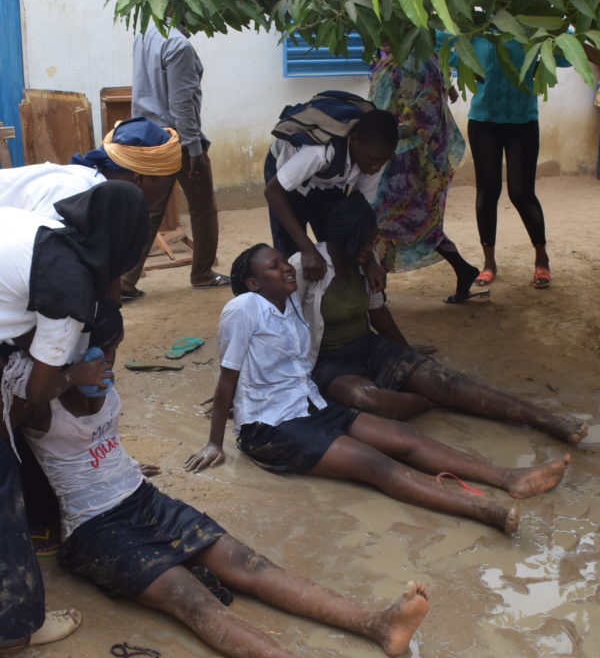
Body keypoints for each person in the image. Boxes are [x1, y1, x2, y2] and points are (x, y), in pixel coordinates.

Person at [18, 300, 430, 658]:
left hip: (142, 498)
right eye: (103, 352)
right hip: (93, 529)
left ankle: (376, 624)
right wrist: (71, 377)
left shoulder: (101, 379)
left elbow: (97, 440)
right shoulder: (37, 398)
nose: (108, 361)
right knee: (194, 602)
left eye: (112, 350)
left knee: (253, 567)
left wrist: (122, 463)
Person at [186, 242, 572, 536]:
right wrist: (215, 442)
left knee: (405, 437)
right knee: (375, 464)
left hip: (310, 407)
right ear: (253, 283)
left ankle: (509, 478)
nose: (287, 268)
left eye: (283, 262)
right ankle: (485, 511)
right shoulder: (244, 308)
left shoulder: (291, 307)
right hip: (271, 428)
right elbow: (227, 379)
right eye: (274, 267)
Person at [290, 192, 588, 445]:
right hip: (327, 362)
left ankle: (546, 419)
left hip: (367, 346)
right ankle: (431, 399)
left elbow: (378, 313)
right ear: (344, 240)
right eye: (365, 243)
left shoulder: (367, 263)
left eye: (372, 241)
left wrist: (405, 352)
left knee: (446, 379)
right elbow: (279, 322)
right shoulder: (306, 267)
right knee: (368, 401)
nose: (371, 249)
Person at [0, 182, 148, 651]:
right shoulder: (67, 293)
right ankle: (15, 627)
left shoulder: (41, 229)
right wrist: (75, 371)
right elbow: (42, 388)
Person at [369, 49, 483, 304]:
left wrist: (385, 144)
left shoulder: (416, 58)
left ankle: (376, 292)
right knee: (410, 221)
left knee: (387, 220)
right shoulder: (394, 55)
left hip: (414, 160)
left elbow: (422, 116)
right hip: (395, 153)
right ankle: (463, 270)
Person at [456, 37, 570, 289]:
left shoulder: (530, 30)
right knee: (487, 191)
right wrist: (466, 65)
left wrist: (554, 41)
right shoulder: (476, 30)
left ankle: (542, 257)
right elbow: (445, 44)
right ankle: (489, 264)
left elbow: (565, 57)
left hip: (523, 122)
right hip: (483, 120)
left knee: (521, 193)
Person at [126, 21, 230, 293]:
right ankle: (203, 275)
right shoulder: (178, 45)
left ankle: (126, 279)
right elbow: (181, 103)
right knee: (203, 207)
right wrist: (194, 148)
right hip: (177, 139)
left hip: (150, 135)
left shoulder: (146, 34)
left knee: (150, 211)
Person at [264, 106, 398, 284]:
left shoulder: (372, 158)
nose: (376, 168)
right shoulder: (320, 152)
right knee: (290, 248)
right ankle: (290, 304)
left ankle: (337, 286)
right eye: (373, 160)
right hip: (285, 175)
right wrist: (307, 249)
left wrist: (372, 264)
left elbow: (360, 216)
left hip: (327, 179)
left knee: (339, 239)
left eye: (382, 162)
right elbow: (273, 193)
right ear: (355, 140)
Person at [0, 116, 180, 226]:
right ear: (139, 179)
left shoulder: (98, 196)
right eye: (166, 186)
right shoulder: (75, 195)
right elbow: (37, 263)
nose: (167, 194)